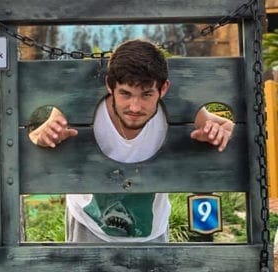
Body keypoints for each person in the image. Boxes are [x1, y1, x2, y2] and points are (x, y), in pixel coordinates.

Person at [29, 39, 233, 247]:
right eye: (125, 94)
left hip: (152, 230)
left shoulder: (186, 108)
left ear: (164, 89)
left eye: (146, 95)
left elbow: (228, 128)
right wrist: (43, 137)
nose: (135, 107)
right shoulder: (75, 104)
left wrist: (217, 133)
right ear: (110, 85)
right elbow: (34, 137)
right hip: (88, 224)